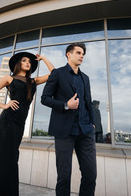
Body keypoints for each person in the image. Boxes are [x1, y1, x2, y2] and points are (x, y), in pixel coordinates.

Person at [0, 52, 54, 196]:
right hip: (7, 121)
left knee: (13, 158)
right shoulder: (9, 78)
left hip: (19, 123)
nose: (27, 63)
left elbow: (54, 73)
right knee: (7, 160)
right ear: (18, 64)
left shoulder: (33, 81)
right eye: (24, 61)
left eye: (29, 61)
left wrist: (43, 58)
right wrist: (4, 105)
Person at [41, 43, 97, 196]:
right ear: (68, 54)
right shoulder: (57, 74)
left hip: (86, 131)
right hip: (65, 132)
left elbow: (88, 102)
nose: (82, 56)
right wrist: (66, 105)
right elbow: (44, 98)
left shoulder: (85, 78)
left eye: (83, 54)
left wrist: (93, 124)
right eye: (78, 53)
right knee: (64, 177)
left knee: (91, 175)